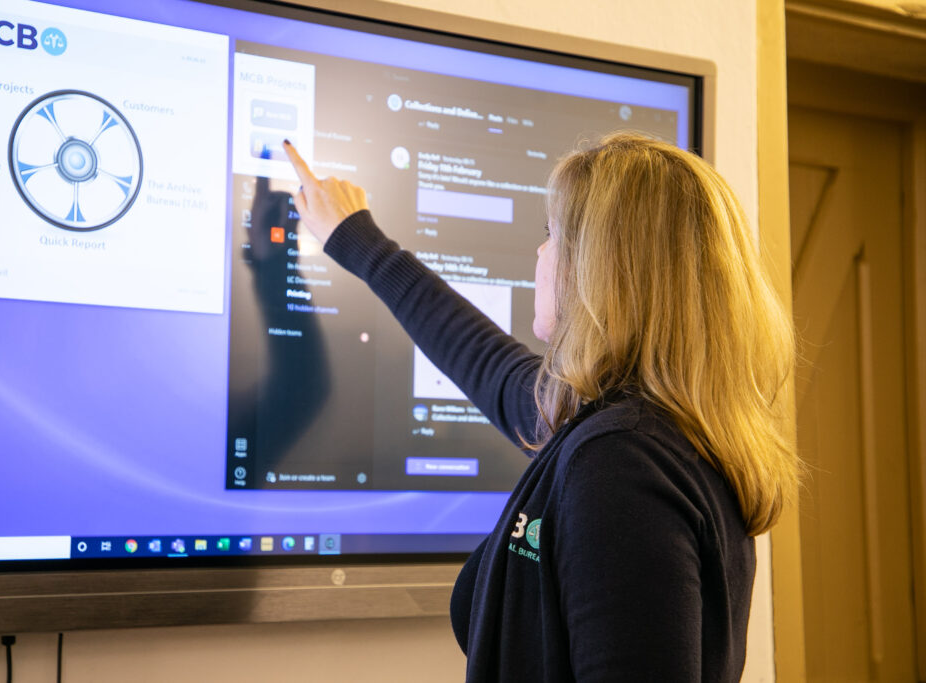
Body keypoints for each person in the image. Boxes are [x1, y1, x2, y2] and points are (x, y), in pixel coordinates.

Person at [283, 133, 798, 682]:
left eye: (552, 233)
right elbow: (486, 361)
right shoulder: (649, 434)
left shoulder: (622, 465)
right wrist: (357, 240)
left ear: (603, 269)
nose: (538, 252)